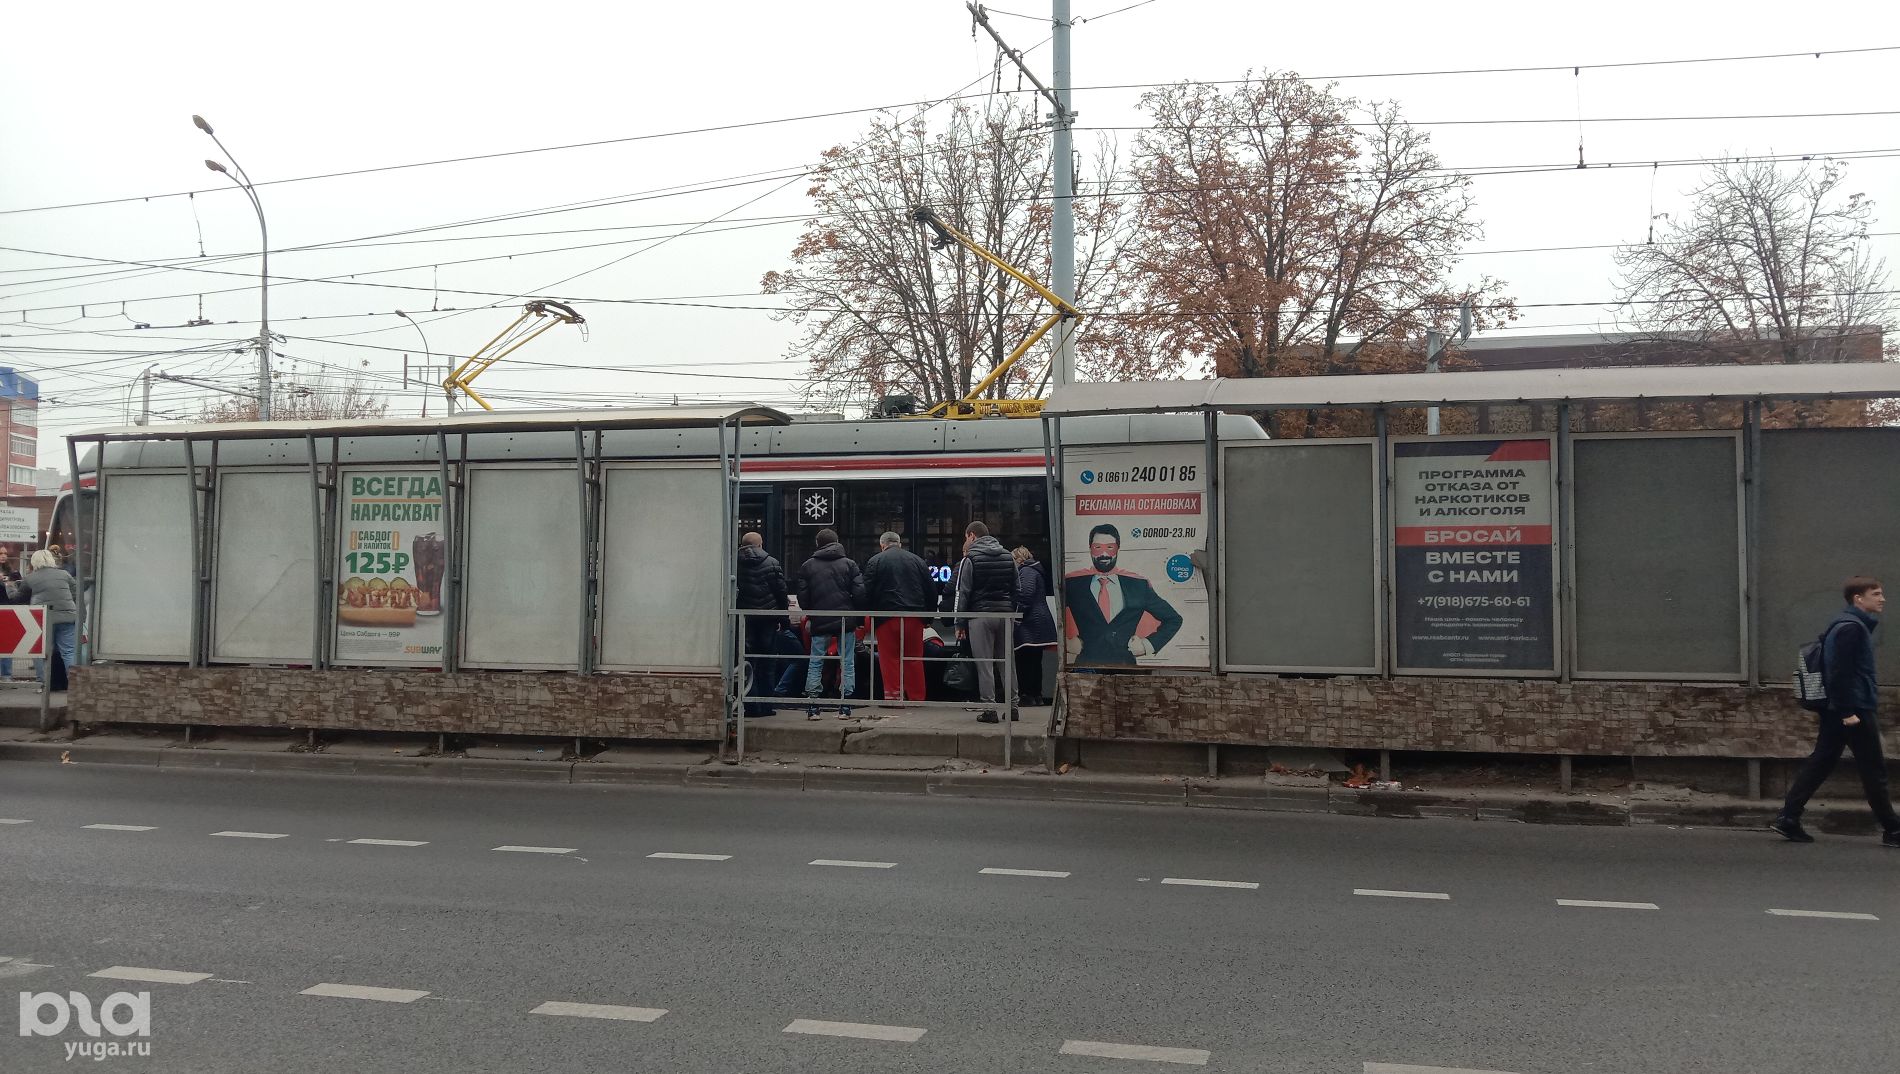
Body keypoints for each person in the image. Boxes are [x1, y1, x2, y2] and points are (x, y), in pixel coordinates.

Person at [1771, 576, 1900, 846]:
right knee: (1873, 769)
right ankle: (1893, 829)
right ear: (1858, 599)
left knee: (1822, 762)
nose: (1882, 599)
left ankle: (1789, 817)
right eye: (1876, 594)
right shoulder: (1851, 629)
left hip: (1841, 708)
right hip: (1853, 709)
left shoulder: (1846, 625)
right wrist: (1847, 712)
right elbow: (1840, 673)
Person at [1062, 523, 1184, 667]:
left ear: (1118, 549)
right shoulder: (1072, 583)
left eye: (1110, 547)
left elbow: (1173, 619)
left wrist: (1147, 645)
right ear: (1090, 549)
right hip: (1086, 667)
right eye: (1097, 547)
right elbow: (1048, 613)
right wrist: (1065, 643)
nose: (1104, 554)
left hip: (1126, 669)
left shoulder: (1138, 585)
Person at [794, 529, 862, 719]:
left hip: (820, 619)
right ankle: (845, 705)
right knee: (847, 662)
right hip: (845, 619)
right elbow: (859, 593)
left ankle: (813, 706)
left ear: (818, 543)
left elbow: (803, 597)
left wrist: (812, 613)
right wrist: (855, 617)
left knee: (816, 661)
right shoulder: (849, 564)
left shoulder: (808, 566)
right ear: (837, 542)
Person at [954, 521, 1018, 723]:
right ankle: (1013, 707)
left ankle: (990, 709)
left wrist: (959, 623)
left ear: (972, 536)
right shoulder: (1008, 556)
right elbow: (1017, 589)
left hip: (980, 616)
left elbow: (962, 593)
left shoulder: (970, 559)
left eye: (966, 537)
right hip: (1005, 615)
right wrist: (1012, 612)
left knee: (985, 664)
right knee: (1008, 663)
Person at [862, 531, 932, 702]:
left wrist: (867, 616)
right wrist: (927, 618)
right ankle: (916, 698)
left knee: (889, 658)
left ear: (882, 545)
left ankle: (893, 697)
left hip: (886, 617)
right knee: (914, 658)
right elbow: (930, 590)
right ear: (900, 544)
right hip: (914, 616)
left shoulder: (875, 561)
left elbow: (866, 592)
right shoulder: (917, 560)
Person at [735, 532, 788, 718]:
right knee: (767, 663)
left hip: (745, 621)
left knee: (748, 662)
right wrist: (784, 620)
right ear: (760, 544)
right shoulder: (772, 563)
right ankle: (766, 706)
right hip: (768, 620)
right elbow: (781, 592)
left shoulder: (734, 563)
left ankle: (751, 707)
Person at [12, 549, 78, 692]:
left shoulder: (30, 578)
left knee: (42, 652)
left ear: (34, 562)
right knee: (69, 652)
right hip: (67, 616)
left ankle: (44, 684)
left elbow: (19, 598)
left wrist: (10, 591)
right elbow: (75, 594)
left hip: (43, 618)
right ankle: (75, 686)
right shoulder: (64, 574)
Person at [1012, 546, 1057, 706]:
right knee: (1035, 662)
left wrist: (1016, 617)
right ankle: (1037, 695)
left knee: (1024, 661)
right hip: (1039, 621)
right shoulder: (1036, 570)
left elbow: (1025, 595)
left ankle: (1026, 695)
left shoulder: (1026, 571)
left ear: (1018, 559)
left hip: (1030, 623)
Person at [0, 548, 21, 680]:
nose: (3, 556)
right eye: (0, 553)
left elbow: (20, 589)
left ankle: (6, 675)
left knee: (7, 643)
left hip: (8, 610)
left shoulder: (12, 572)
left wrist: (10, 583)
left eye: (5, 554)